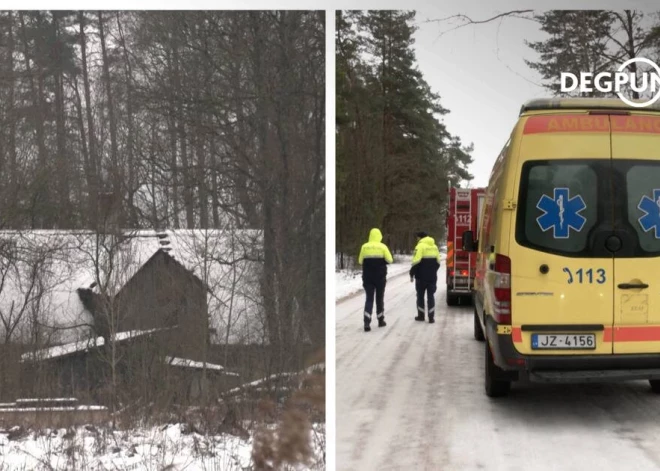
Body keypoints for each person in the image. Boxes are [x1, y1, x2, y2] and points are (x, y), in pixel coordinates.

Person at [358, 228, 394, 332]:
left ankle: (366, 322)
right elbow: (390, 260)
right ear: (379, 236)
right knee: (379, 298)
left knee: (369, 299)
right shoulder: (383, 247)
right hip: (380, 277)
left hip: (368, 277)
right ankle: (381, 320)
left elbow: (360, 261)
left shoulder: (364, 247)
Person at [409, 231, 441, 323]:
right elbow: (438, 262)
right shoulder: (434, 247)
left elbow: (416, 262)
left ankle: (421, 316)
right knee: (431, 296)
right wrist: (432, 271)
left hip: (421, 277)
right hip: (432, 277)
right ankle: (431, 318)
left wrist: (412, 273)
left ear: (420, 238)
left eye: (417, 237)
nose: (416, 239)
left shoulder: (420, 246)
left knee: (420, 296)